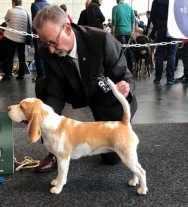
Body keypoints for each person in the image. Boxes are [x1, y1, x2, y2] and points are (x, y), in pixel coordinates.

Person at [33, 5, 137, 172]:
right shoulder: (47, 52)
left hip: (104, 96)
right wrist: (41, 115)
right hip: (76, 92)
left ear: (66, 28)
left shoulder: (101, 39)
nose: (51, 49)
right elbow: (55, 92)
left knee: (111, 159)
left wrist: (126, 87)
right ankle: (54, 150)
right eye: (45, 44)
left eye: (52, 42)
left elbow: (125, 76)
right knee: (42, 86)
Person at [1, 0, 31, 80]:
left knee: (10, 56)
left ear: (13, 3)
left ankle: (8, 74)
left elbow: (6, 19)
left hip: (12, 37)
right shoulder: (26, 13)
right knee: (22, 56)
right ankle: (21, 74)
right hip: (22, 38)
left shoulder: (11, 11)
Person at [150, 0, 178, 85]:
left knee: (160, 53)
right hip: (173, 27)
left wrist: (156, 27)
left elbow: (152, 16)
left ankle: (157, 78)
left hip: (161, 27)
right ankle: (170, 78)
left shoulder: (156, 1)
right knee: (171, 54)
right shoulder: (175, 1)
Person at [111, 0, 135, 74]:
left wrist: (112, 33)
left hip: (120, 31)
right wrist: (133, 31)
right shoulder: (129, 8)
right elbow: (133, 20)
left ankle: (125, 70)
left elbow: (114, 22)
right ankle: (130, 69)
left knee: (123, 52)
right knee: (129, 51)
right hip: (129, 32)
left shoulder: (115, 8)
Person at [30, 0, 50, 81]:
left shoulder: (35, 5)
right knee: (47, 53)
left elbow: (35, 22)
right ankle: (46, 74)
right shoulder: (48, 4)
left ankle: (41, 75)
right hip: (48, 33)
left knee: (38, 55)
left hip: (38, 34)